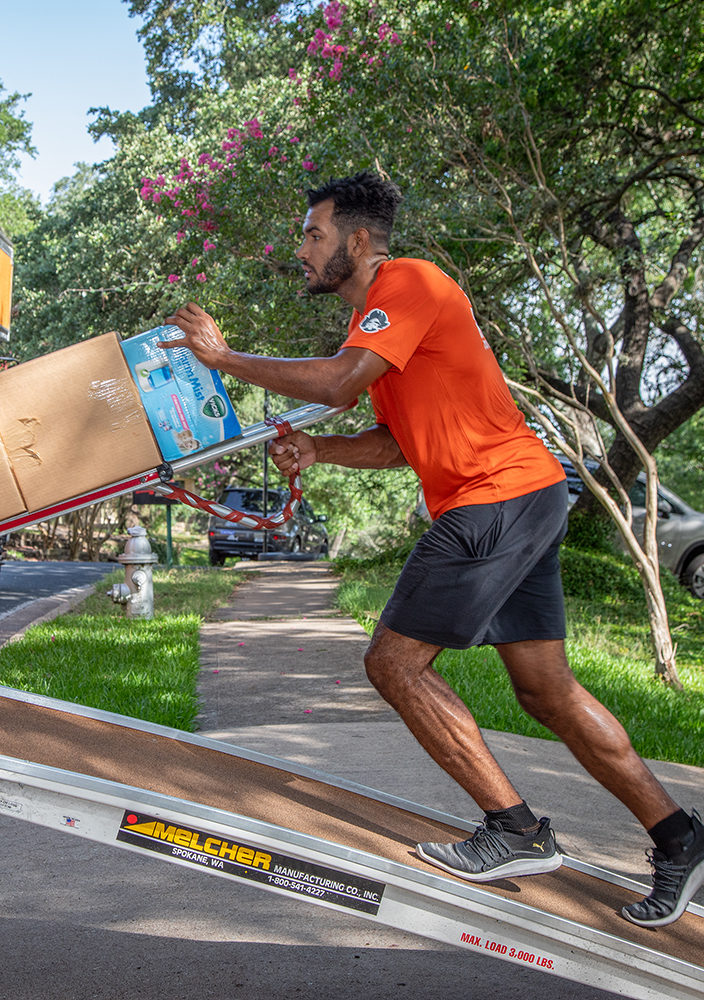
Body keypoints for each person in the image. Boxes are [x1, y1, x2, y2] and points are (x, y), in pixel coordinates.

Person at [159, 170, 703, 927]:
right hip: (522, 492)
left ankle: (515, 830)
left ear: (356, 240)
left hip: (495, 498)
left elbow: (342, 382)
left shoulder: (408, 282)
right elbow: (396, 443)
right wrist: (320, 450)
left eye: (313, 236)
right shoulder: (380, 324)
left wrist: (223, 358)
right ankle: (680, 838)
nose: (302, 252)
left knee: (393, 663)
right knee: (547, 692)